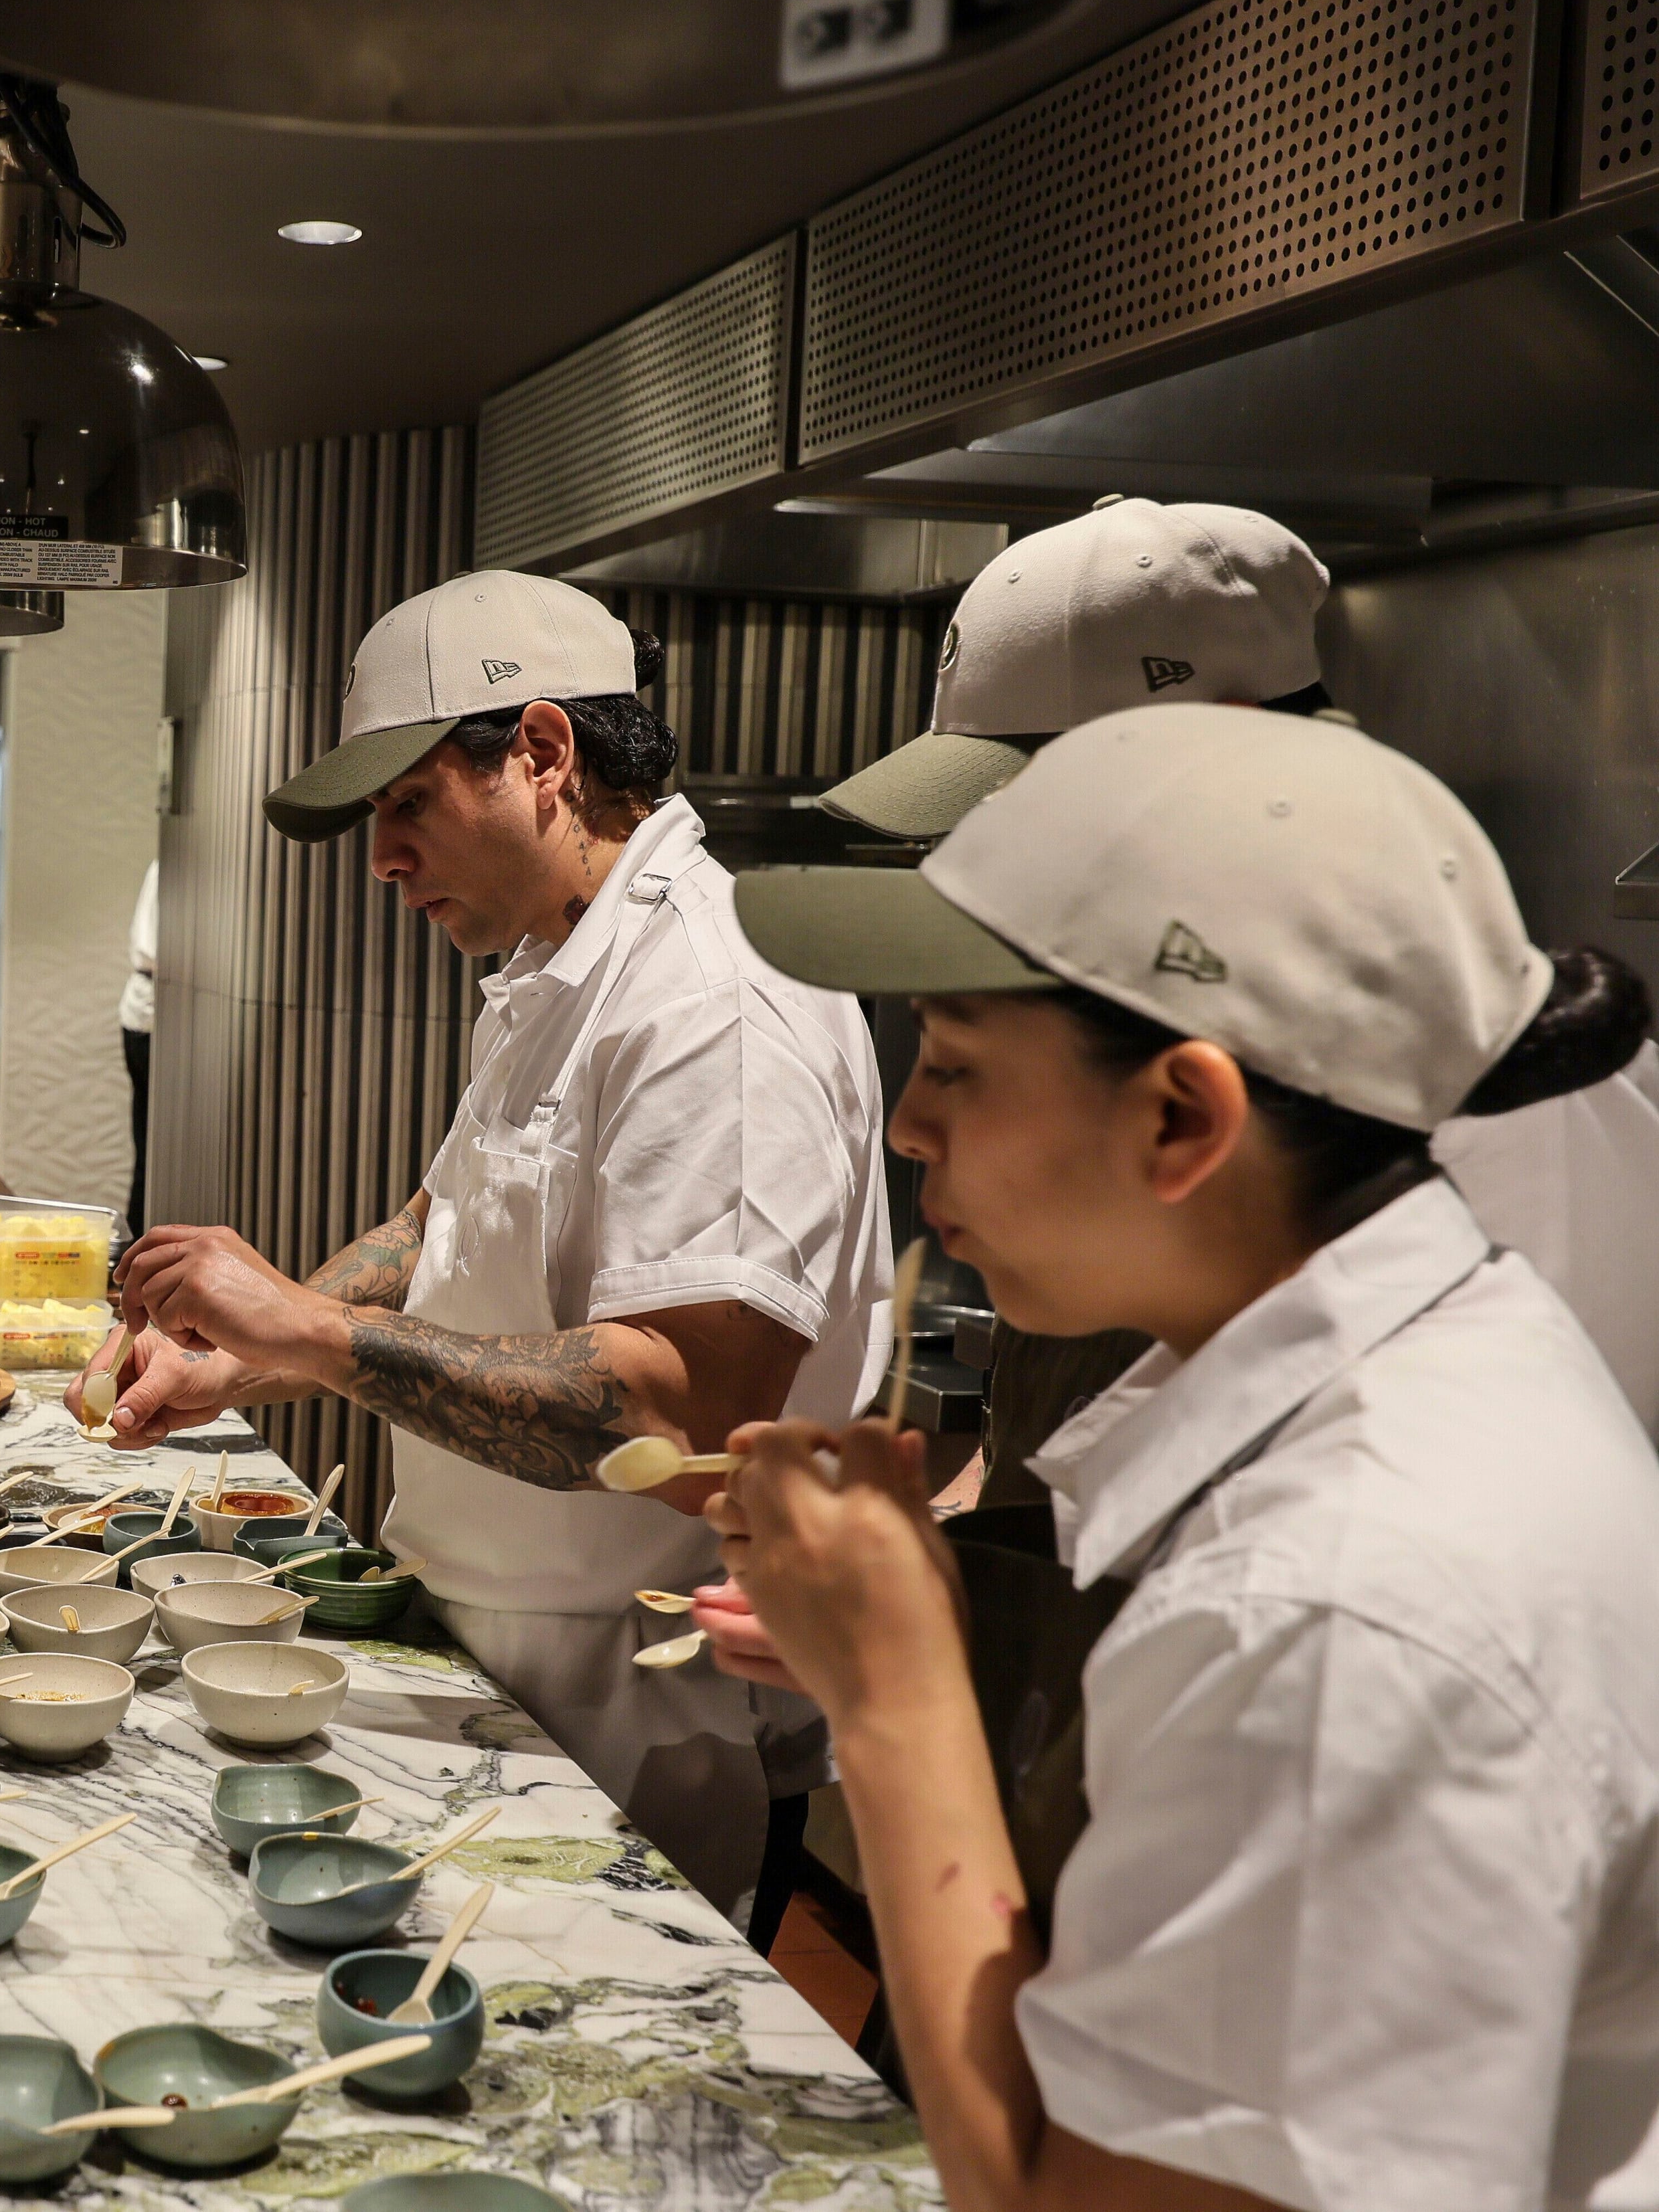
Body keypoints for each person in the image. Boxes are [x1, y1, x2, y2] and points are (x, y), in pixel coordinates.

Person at [716, 705, 1659, 2211]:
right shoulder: (1438, 1367)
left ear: (1178, 1115)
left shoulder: (1339, 1605)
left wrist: (894, 1698)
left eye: (953, 1064)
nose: (904, 1125)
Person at [84, 569, 893, 1920]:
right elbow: (443, 1223)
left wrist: (310, 1332)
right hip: (475, 1657)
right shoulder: (547, 965)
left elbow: (678, 1415)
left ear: (541, 752)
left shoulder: (714, 999)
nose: (383, 855)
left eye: (408, 804)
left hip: (631, 1706)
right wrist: (237, 1364)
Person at [824, 495, 1659, 1464]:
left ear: (1228, 740)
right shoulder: (1214, 1027)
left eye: (1029, 809)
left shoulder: (1395, 1107)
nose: (985, 873)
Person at [119, 858, 158, 1233]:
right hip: (150, 1018)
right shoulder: (175, 866)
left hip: (145, 1014)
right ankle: (139, 1254)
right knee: (153, 1151)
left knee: (151, 1150)